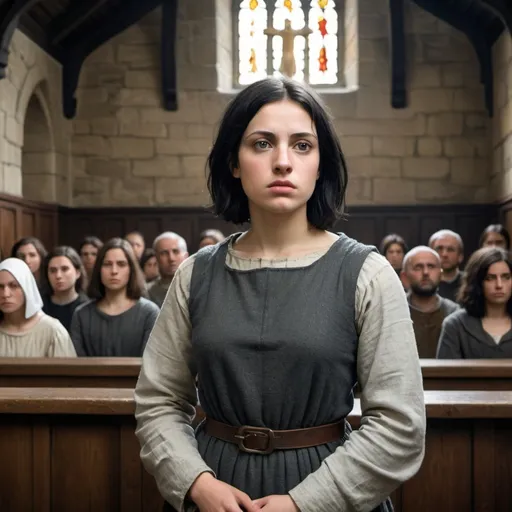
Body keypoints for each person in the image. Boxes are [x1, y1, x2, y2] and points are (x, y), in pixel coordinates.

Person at [134, 77, 425, 512]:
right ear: (234, 161)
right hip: (215, 489)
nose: (283, 162)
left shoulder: (367, 272)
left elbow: (399, 425)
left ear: (321, 162)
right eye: (262, 143)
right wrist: (195, 482)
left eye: (303, 145)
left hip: (327, 488)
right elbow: (160, 400)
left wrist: (304, 503)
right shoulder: (196, 273)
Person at [70, 238, 159, 357]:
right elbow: (77, 365)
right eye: (107, 264)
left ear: (131, 269)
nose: (114, 271)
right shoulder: (82, 314)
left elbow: (150, 364)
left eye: (121, 264)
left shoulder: (149, 313)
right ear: (99, 269)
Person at [437, 247, 512, 358]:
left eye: (506, 277)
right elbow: (445, 373)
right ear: (477, 282)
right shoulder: (456, 325)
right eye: (490, 278)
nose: (499, 285)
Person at [0, 258, 76, 357]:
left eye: (14, 286)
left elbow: (67, 371)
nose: (5, 294)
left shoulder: (53, 331)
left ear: (26, 287)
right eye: (0, 287)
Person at [401, 246, 458, 358]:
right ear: (404, 277)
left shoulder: (455, 314)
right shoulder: (394, 313)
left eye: (431, 266)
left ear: (441, 274)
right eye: (418, 267)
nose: (426, 272)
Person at [41, 246, 89, 332]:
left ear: (77, 272)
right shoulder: (39, 306)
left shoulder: (87, 308)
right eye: (53, 270)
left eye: (64, 269)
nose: (58, 275)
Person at [148, 232, 189, 307]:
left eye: (175, 251)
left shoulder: (198, 287)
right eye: (164, 253)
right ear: (156, 258)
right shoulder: (147, 291)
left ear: (186, 256)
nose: (171, 258)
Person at [428, 229, 464, 302]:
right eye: (439, 249)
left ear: (460, 256)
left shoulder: (470, 282)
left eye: (450, 249)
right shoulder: (422, 282)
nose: (444, 254)